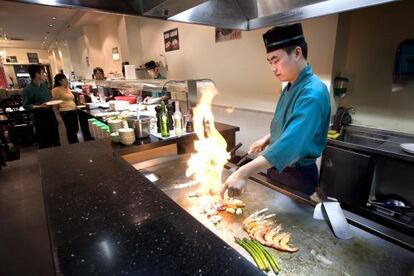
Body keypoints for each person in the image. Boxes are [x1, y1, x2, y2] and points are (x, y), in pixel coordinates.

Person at [221, 23, 331, 199]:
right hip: (277, 168)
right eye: (270, 62)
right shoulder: (291, 85)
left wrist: (243, 172)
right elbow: (288, 124)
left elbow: (292, 142)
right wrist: (267, 138)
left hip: (298, 176)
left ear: (297, 53)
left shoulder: (313, 93)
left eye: (276, 60)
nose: (273, 68)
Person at [22, 64, 60, 149]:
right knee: (45, 144)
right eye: (43, 72)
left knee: (56, 141)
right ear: (37, 74)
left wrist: (54, 101)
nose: (44, 74)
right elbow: (26, 106)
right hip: (40, 118)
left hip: (51, 116)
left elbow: (50, 99)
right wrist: (39, 106)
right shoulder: (27, 89)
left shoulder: (44, 86)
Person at [52, 73, 79, 144]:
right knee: (70, 128)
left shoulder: (67, 88)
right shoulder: (56, 90)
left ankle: (75, 141)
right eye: (65, 79)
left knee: (76, 128)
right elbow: (55, 101)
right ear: (60, 81)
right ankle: (73, 143)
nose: (67, 81)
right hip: (65, 111)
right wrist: (58, 110)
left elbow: (71, 98)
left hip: (73, 109)